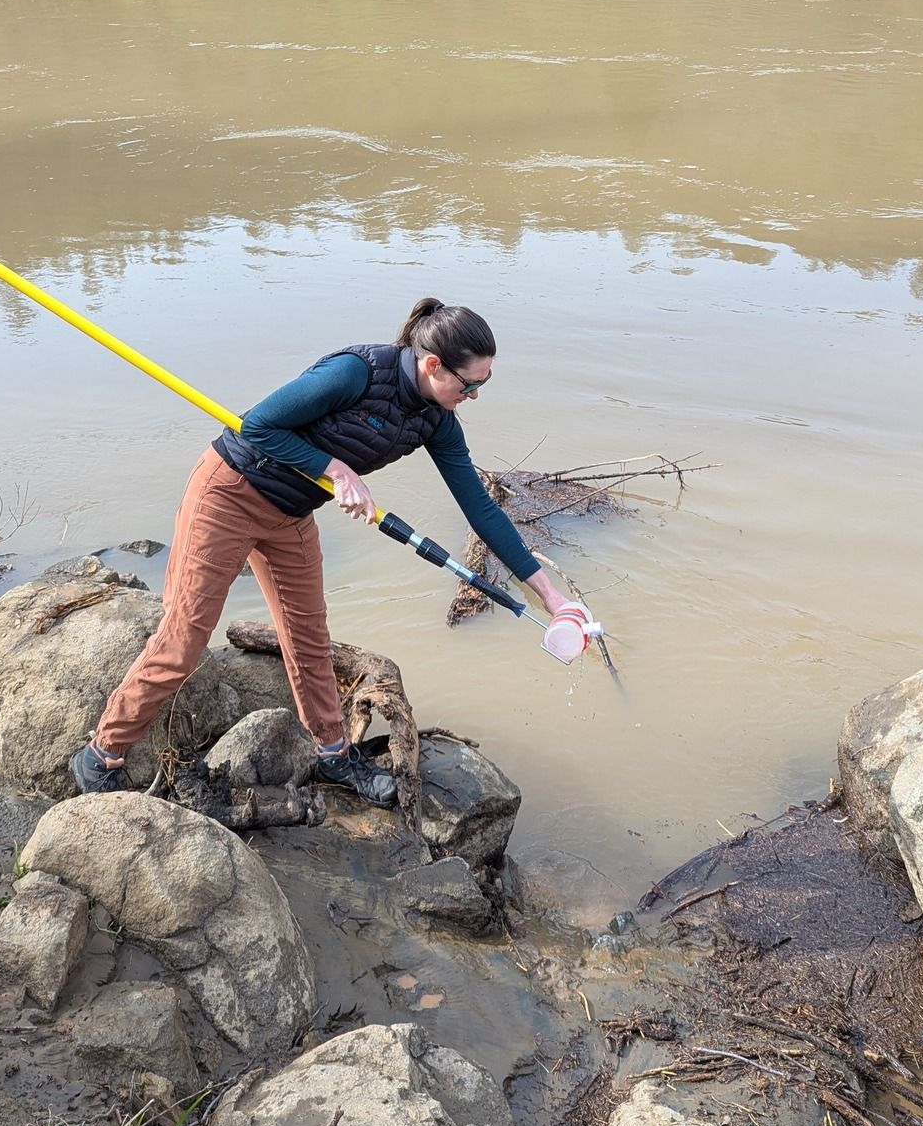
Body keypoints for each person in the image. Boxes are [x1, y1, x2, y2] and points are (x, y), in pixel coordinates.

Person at [70, 298, 584, 805]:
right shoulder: (355, 373)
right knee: (186, 635)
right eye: (469, 384)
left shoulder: (436, 421)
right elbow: (256, 425)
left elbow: (481, 509)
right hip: (228, 493)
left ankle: (333, 752)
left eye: (483, 384)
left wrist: (551, 598)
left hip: (289, 514)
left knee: (310, 636)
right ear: (432, 364)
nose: (474, 395)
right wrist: (334, 468)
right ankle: (102, 754)